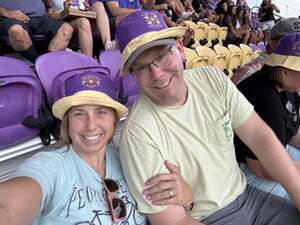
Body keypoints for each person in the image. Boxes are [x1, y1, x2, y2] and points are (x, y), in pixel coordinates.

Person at [115, 10, 300, 224]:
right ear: (133, 75)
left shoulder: (211, 79)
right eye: (141, 67)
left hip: (248, 197)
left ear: (179, 49)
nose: (157, 73)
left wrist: (297, 193)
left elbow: (259, 136)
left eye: (162, 55)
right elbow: (174, 221)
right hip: (207, 218)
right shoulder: (138, 133)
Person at [0, 72, 194, 225]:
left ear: (114, 120)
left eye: (101, 113)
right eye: (79, 114)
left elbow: (173, 212)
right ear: (67, 122)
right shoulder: (51, 166)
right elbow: (8, 207)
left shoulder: (129, 158)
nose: (91, 125)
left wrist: (186, 197)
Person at [235, 32, 300, 199]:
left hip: (274, 156)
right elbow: (260, 168)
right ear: (285, 69)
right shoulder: (264, 97)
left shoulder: (288, 88)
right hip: (246, 171)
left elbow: (293, 132)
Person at [231, 17, 300, 85]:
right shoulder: (248, 75)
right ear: (271, 42)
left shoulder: (289, 82)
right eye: (289, 42)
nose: (295, 50)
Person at [0, 0, 73, 62]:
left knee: (66, 28)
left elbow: (51, 14)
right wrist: (7, 12)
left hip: (41, 19)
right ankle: (40, 64)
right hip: (11, 19)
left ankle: (49, 63)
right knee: (16, 31)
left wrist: (65, 11)